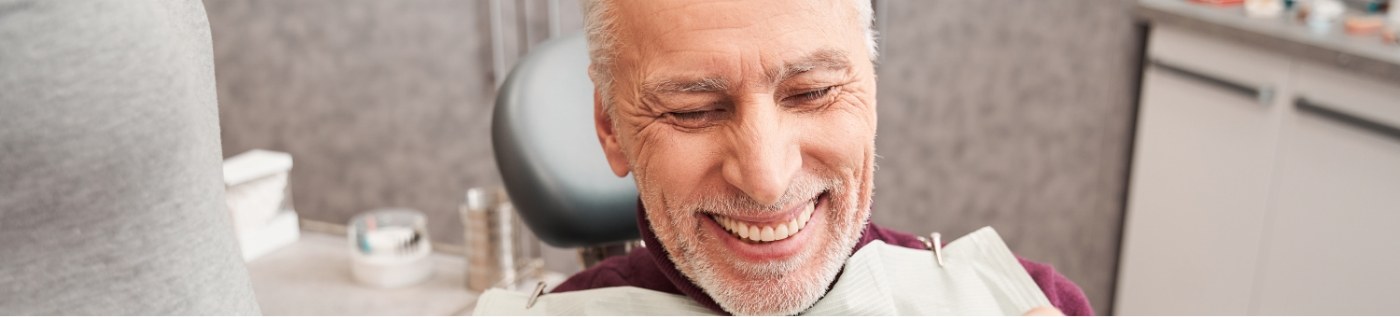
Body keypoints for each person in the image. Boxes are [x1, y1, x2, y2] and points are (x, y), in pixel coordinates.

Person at [551, 0, 1093, 315]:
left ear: (872, 93)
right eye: (693, 111)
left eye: (812, 93)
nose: (766, 180)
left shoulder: (1024, 304)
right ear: (611, 128)